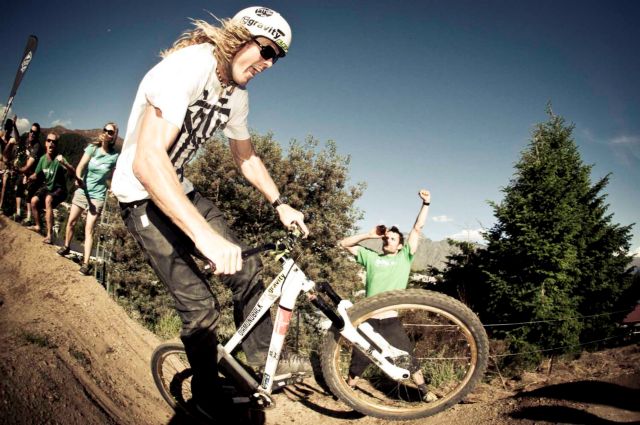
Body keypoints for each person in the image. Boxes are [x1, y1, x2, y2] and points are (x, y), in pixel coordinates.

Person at [110, 6, 310, 414]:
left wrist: (280, 203)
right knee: (201, 308)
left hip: (179, 188)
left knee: (248, 268)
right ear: (239, 38)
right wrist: (204, 236)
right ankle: (205, 394)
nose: (268, 64)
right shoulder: (185, 69)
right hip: (140, 195)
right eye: (267, 50)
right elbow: (147, 161)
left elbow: (245, 156)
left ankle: (260, 362)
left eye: (277, 58)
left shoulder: (236, 96)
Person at [338, 189, 438, 402]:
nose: (388, 240)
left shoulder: (404, 257)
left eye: (393, 238)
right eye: (387, 237)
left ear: (400, 245)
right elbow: (343, 243)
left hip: (390, 319)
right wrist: (369, 235)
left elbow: (417, 228)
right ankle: (347, 392)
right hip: (368, 319)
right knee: (360, 357)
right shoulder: (371, 256)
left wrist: (426, 203)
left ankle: (424, 391)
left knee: (406, 356)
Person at [57, 123, 120, 276]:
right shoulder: (92, 148)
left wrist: (113, 188)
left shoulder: (114, 156)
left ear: (114, 136)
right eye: (105, 130)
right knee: (71, 221)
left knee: (89, 228)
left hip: (97, 196)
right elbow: (80, 166)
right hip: (83, 190)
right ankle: (66, 247)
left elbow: (113, 176)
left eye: (110, 132)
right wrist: (78, 178)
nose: (107, 133)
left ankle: (86, 264)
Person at [26, 133, 74, 244]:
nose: (51, 143)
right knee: (33, 201)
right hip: (48, 187)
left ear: (56, 145)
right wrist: (29, 177)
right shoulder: (42, 159)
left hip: (60, 189)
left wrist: (65, 164)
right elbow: (36, 174)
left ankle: (49, 235)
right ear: (46, 143)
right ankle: (38, 226)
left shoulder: (59, 158)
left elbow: (72, 171)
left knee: (48, 199)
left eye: (54, 142)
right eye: (49, 141)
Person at [13, 122, 43, 223]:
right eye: (31, 131)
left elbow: (29, 165)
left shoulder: (37, 147)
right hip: (25, 170)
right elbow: (18, 139)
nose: (32, 133)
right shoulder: (27, 141)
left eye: (35, 132)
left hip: (34, 173)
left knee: (29, 193)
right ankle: (18, 213)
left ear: (37, 134)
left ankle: (29, 217)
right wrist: (14, 126)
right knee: (18, 186)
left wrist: (19, 170)